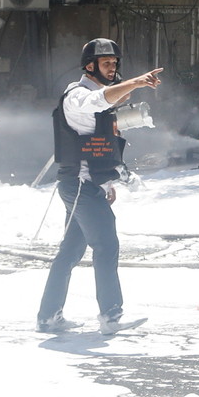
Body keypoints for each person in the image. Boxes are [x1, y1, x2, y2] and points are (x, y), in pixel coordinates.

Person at [37, 38, 163, 335]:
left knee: (70, 252)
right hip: (80, 185)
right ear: (90, 66)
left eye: (115, 63)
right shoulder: (77, 95)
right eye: (106, 63)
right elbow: (100, 100)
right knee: (106, 245)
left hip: (84, 185)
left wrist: (107, 182)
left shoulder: (98, 97)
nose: (112, 68)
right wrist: (137, 82)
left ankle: (48, 317)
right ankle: (111, 316)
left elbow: (101, 135)